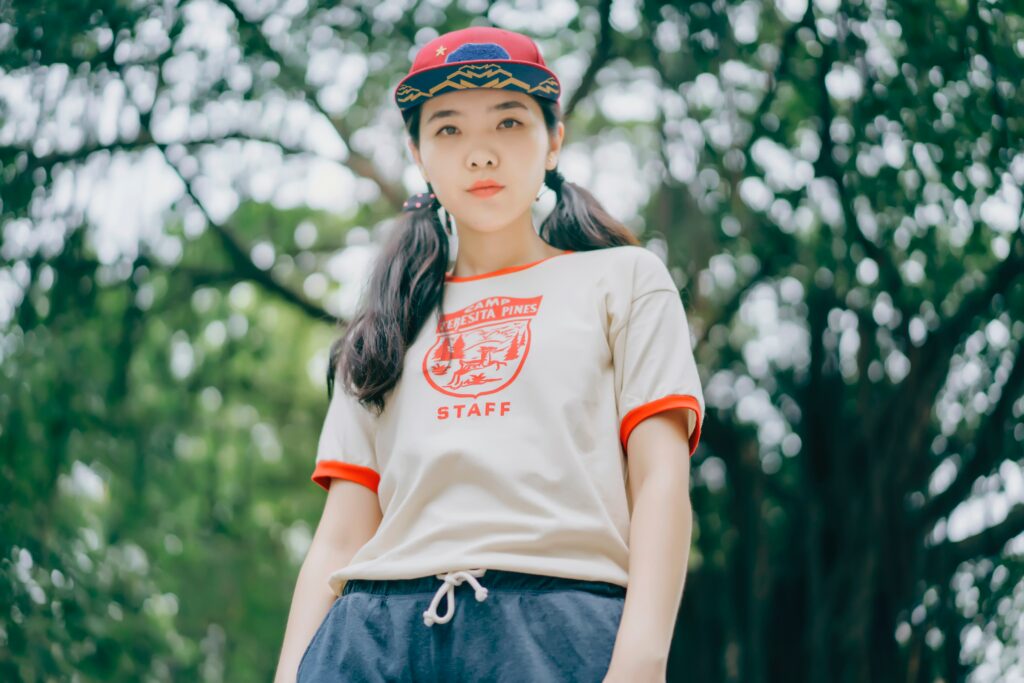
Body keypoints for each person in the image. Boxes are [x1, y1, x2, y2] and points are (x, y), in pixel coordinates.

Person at [275, 25, 705, 683]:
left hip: (555, 630)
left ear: (553, 139)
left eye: (509, 121)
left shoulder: (623, 280)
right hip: (371, 639)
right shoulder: (384, 327)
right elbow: (339, 536)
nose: (480, 154)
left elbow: (660, 483)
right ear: (418, 152)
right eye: (448, 130)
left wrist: (640, 664)